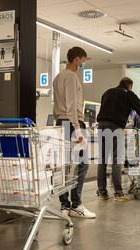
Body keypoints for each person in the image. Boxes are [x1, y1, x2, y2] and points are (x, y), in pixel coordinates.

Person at [53, 47, 96, 219]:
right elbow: (72, 105)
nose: (83, 64)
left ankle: (65, 205)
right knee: (82, 164)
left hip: (60, 123)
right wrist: (78, 129)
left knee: (66, 166)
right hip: (71, 124)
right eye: (83, 60)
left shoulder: (58, 77)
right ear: (77, 59)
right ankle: (76, 204)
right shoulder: (71, 76)